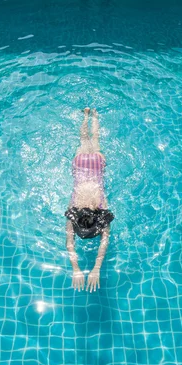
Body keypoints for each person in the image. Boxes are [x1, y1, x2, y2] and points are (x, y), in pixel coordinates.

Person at [65, 108, 114, 292]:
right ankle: (92, 115)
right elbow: (104, 241)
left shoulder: (99, 209)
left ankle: (88, 115)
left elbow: (70, 242)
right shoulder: (75, 209)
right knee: (89, 141)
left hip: (97, 164)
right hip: (80, 164)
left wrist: (78, 269)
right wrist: (95, 269)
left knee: (90, 141)